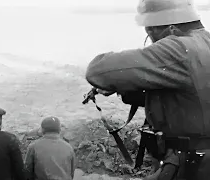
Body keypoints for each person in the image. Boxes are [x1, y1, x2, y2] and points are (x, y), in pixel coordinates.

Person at [85, 0, 210, 179]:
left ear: (171, 29)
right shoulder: (205, 42)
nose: (151, 39)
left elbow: (98, 71)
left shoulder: (179, 48)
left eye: (151, 33)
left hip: (191, 164)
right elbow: (194, 95)